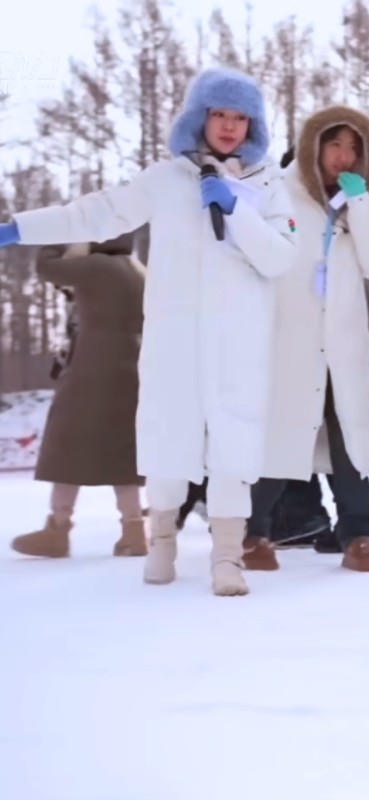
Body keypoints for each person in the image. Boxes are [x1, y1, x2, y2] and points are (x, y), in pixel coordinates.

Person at [0, 67, 296, 594]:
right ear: (199, 117)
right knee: (166, 435)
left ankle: (227, 556)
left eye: (239, 116)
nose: (229, 126)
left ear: (252, 123)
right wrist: (23, 227)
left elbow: (279, 258)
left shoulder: (269, 183)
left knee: (233, 444)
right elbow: (97, 215)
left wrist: (235, 210)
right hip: (174, 338)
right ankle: (160, 543)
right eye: (219, 114)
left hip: (237, 343)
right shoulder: (165, 181)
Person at [248, 105, 369, 573]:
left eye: (354, 148)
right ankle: (252, 531)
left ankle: (359, 531)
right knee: (282, 431)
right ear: (314, 145)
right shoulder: (277, 192)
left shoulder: (362, 204)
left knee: (347, 435)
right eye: (335, 144)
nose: (345, 157)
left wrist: (363, 204)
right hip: (287, 340)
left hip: (343, 344)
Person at [10, 235, 146, 558]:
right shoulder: (137, 271)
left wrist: (59, 237)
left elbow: (47, 268)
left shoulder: (97, 267)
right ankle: (134, 529)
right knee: (123, 454)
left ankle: (57, 529)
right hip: (132, 366)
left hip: (92, 366)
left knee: (66, 444)